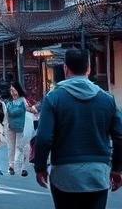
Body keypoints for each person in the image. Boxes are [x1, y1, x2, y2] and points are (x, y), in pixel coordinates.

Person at [32, 47, 122, 209]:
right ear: (89, 68)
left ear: (65, 68)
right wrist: (117, 169)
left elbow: (44, 138)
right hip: (98, 174)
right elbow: (119, 137)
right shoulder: (107, 99)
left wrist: (40, 167)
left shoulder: (53, 98)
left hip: (64, 176)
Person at [4, 81, 35, 178]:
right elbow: (6, 115)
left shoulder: (23, 100)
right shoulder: (8, 101)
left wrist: (32, 109)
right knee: (11, 147)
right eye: (11, 90)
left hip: (22, 127)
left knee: (23, 147)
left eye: (14, 90)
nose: (12, 92)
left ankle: (23, 168)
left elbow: (30, 109)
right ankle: (11, 166)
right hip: (11, 128)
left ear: (18, 90)